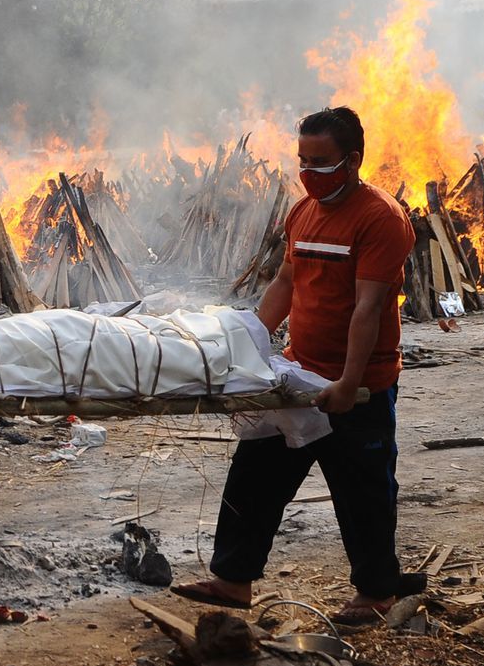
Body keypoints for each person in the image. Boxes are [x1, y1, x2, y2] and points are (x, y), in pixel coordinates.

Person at [171, 106, 422, 626]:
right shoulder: (303, 211)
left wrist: (348, 383)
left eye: (321, 161)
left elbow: (369, 308)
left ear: (353, 160)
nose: (308, 171)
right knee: (255, 474)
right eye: (302, 159)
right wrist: (251, 349)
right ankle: (234, 580)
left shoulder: (381, 218)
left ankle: (376, 594)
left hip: (360, 383)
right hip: (296, 374)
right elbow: (286, 282)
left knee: (363, 490)